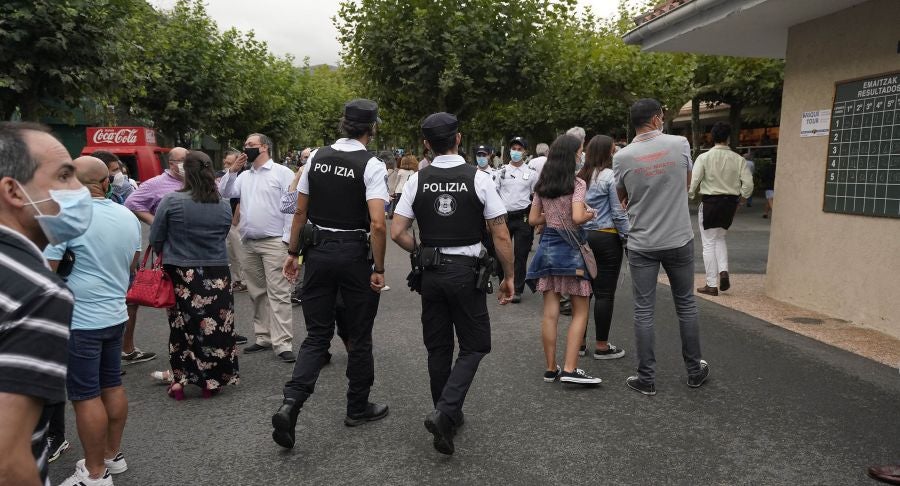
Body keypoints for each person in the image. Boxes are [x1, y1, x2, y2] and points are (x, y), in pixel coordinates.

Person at [390, 112, 515, 455]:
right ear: (459, 138)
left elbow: (397, 232)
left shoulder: (417, 180)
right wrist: (509, 275)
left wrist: (424, 251)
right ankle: (445, 412)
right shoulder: (480, 177)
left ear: (427, 144)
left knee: (439, 347)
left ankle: (446, 416)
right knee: (475, 345)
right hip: (466, 273)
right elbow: (500, 231)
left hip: (430, 274)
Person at [272, 99, 390, 449]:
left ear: (343, 124)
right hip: (353, 253)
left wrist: (293, 253)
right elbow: (378, 222)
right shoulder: (371, 164)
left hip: (318, 253)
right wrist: (380, 268)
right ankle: (357, 406)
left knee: (316, 335)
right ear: (372, 128)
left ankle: (291, 402)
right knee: (360, 334)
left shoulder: (316, 158)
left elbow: (300, 212)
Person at [0, 122, 88, 486]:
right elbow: (6, 459)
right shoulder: (38, 292)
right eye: (65, 175)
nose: (80, 190)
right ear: (13, 191)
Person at [44, 156, 139, 486]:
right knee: (112, 384)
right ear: (106, 182)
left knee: (85, 396)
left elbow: (46, 273)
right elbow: (131, 264)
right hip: (115, 315)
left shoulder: (66, 217)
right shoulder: (126, 215)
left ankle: (95, 474)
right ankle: (113, 456)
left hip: (80, 320)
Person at [614, 98, 709, 396]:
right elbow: (686, 184)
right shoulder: (679, 144)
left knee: (644, 311)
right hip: (679, 237)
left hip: (642, 241)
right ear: (656, 119)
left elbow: (622, 196)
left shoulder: (623, 157)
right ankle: (694, 371)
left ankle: (647, 378)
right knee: (686, 305)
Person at [150, 151, 239, 400]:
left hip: (180, 271)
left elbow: (156, 237)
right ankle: (212, 380)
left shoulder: (171, 201)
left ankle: (180, 381)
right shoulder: (221, 203)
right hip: (217, 270)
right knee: (216, 326)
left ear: (185, 171)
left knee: (182, 326)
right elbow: (223, 234)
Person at [524, 134, 601, 386]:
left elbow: (533, 220)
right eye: (580, 151)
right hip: (571, 252)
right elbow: (577, 217)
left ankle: (550, 368)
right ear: (572, 155)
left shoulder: (542, 184)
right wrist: (591, 214)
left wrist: (552, 217)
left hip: (546, 251)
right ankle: (570, 368)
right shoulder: (577, 184)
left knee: (550, 314)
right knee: (580, 312)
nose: (582, 155)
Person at [218, 133, 296, 363]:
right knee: (257, 291)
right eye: (245, 144)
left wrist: (289, 241)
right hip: (249, 241)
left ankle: (283, 342)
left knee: (279, 292)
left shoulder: (282, 173)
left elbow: (292, 208)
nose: (246, 148)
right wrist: (232, 171)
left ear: (264, 147)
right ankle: (264, 336)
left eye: (250, 145)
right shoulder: (244, 176)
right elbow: (224, 192)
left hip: (274, 241)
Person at [122, 148, 192, 366]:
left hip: (196, 244)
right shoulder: (155, 184)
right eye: (181, 161)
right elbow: (132, 204)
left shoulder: (195, 181)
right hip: (170, 247)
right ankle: (181, 352)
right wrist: (155, 222)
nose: (184, 165)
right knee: (176, 299)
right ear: (171, 163)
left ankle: (195, 343)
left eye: (188, 161)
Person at [578, 134, 629, 360]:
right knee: (604, 294)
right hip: (607, 237)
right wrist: (627, 236)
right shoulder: (610, 176)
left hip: (582, 238)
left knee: (583, 293)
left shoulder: (579, 176)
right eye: (613, 149)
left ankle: (578, 342)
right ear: (607, 152)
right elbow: (618, 212)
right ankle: (601, 345)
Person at [689, 122, 754, 296]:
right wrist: (741, 198)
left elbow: (694, 182)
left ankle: (711, 284)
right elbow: (748, 184)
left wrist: (688, 196)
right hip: (730, 203)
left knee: (708, 243)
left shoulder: (704, 158)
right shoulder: (739, 159)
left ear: (712, 137)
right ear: (728, 138)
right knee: (720, 238)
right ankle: (723, 271)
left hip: (710, 203)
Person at [496, 136, 537, 303]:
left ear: (525, 152)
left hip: (523, 217)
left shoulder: (532, 174)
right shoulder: (501, 172)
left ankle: (517, 289)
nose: (516, 152)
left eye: (520, 149)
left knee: (521, 254)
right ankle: (504, 285)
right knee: (502, 253)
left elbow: (536, 197)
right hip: (503, 217)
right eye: (514, 148)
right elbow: (494, 193)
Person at [221, 151, 248, 296]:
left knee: (239, 251)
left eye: (229, 163)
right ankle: (237, 278)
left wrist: (236, 218)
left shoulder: (242, 176)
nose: (226, 165)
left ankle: (244, 280)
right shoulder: (227, 176)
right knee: (231, 251)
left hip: (235, 220)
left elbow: (240, 200)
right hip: (228, 220)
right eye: (225, 162)